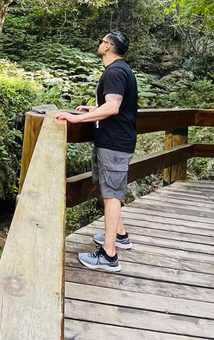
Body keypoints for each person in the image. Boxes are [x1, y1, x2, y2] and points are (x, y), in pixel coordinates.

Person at [53, 30, 138, 272]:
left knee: (111, 194)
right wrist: (92, 110)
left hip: (114, 143)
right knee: (110, 189)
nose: (100, 44)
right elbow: (115, 106)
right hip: (113, 140)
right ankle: (120, 236)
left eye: (103, 41)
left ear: (109, 46)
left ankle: (109, 256)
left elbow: (113, 107)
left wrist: (76, 119)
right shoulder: (122, 70)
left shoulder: (114, 71)